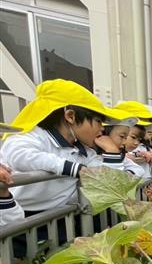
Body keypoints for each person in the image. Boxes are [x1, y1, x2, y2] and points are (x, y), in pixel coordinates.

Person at [0, 79, 136, 215]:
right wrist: (74, 169)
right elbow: (18, 155)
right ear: (70, 116)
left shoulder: (85, 152)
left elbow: (111, 183)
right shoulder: (34, 135)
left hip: (60, 216)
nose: (102, 128)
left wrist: (112, 152)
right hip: (21, 216)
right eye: (98, 121)